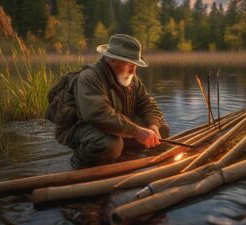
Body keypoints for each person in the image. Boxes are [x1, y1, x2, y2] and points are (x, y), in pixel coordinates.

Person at [69, 34, 170, 169]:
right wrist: (136, 131)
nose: (134, 71)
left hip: (118, 127)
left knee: (162, 130)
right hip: (88, 128)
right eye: (129, 64)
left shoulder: (131, 78)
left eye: (135, 65)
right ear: (112, 60)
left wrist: (153, 125)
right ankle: (79, 162)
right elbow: (98, 114)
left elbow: (147, 103)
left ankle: (122, 154)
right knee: (111, 145)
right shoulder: (90, 77)